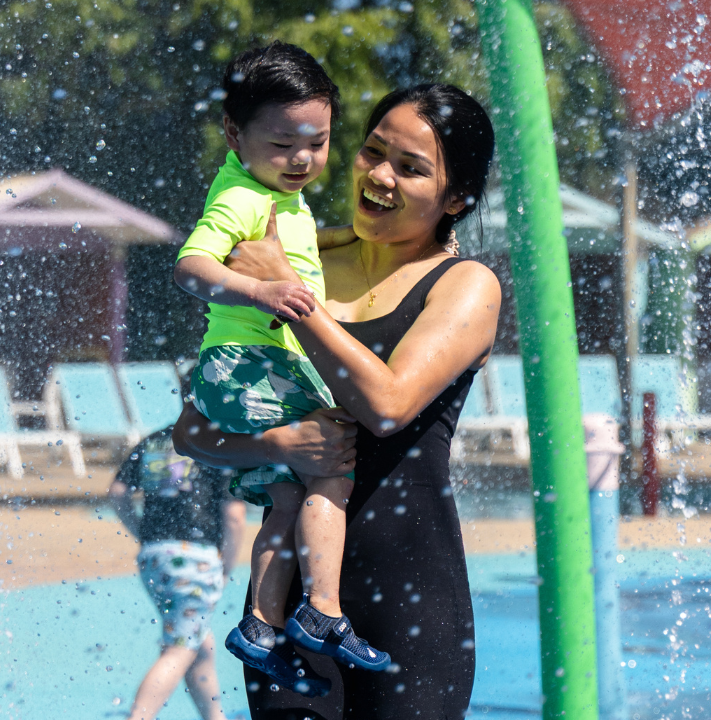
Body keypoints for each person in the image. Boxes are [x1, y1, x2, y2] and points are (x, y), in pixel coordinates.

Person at [175, 83, 499, 719]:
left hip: (407, 597)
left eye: (410, 169)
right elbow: (191, 431)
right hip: (287, 607)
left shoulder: (465, 286)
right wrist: (272, 445)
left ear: (455, 199)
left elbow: (387, 404)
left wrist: (289, 294)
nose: (379, 176)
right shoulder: (302, 250)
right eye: (373, 152)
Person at [172, 41, 387, 694]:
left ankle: (261, 627)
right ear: (235, 135)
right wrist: (262, 291)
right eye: (283, 144)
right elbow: (191, 266)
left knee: (287, 500)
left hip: (243, 369)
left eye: (317, 143)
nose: (302, 159)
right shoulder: (242, 200)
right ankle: (323, 610)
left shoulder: (277, 198)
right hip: (253, 366)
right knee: (333, 474)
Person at [109, 428, 246, 720]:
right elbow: (234, 515)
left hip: (154, 557)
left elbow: (117, 492)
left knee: (198, 643)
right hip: (196, 558)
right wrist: (225, 568)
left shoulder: (154, 439)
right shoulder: (219, 442)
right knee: (180, 648)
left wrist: (144, 534)